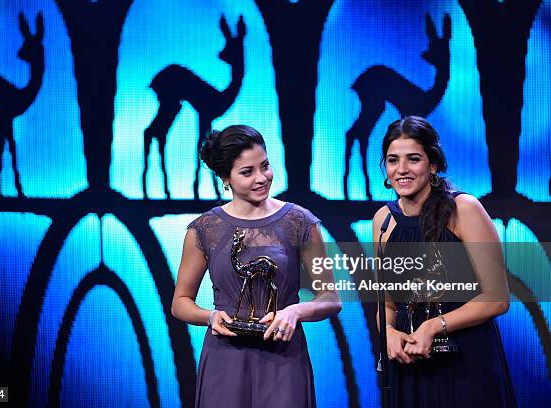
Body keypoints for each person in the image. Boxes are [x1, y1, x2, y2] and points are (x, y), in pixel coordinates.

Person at [172, 125, 341, 408]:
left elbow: (331, 298)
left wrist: (295, 312)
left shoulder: (300, 222)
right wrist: (210, 317)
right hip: (225, 361)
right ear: (225, 178)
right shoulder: (205, 229)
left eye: (265, 166)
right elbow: (180, 302)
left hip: (284, 359)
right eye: (247, 172)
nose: (262, 178)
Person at [373, 116, 517, 407]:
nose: (402, 170)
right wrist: (388, 333)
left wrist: (433, 327)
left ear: (433, 164)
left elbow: (497, 298)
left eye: (413, 159)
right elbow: (386, 305)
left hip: (466, 362)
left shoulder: (464, 209)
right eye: (392, 160)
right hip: (410, 368)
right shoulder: (383, 220)